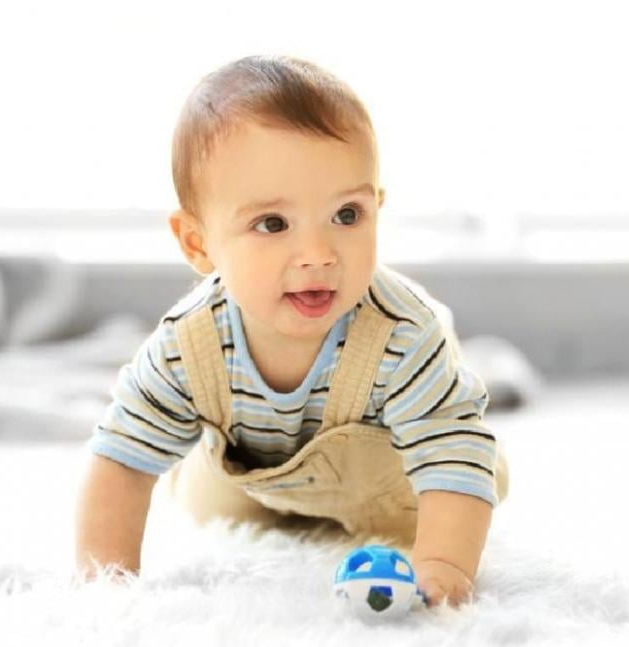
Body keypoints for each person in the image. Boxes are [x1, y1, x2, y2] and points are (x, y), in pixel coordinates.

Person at [74, 55, 509, 608]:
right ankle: (206, 473)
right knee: (205, 503)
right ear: (197, 243)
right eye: (273, 224)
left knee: (464, 480)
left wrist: (444, 567)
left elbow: (449, 456)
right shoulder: (188, 346)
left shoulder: (402, 333)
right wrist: (105, 585)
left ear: (377, 208)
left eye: (347, 215)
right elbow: (121, 460)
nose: (318, 254)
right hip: (251, 479)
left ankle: (465, 392)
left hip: (389, 481)